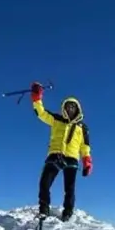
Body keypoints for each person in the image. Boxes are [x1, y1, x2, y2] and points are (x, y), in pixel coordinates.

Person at [30, 81, 92, 221]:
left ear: (78, 109)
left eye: (73, 107)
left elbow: (85, 146)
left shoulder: (83, 128)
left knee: (69, 188)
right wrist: (37, 98)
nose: (70, 109)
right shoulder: (56, 119)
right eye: (68, 106)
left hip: (72, 158)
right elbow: (41, 113)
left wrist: (87, 161)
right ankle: (44, 208)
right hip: (55, 155)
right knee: (44, 183)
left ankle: (68, 212)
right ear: (63, 108)